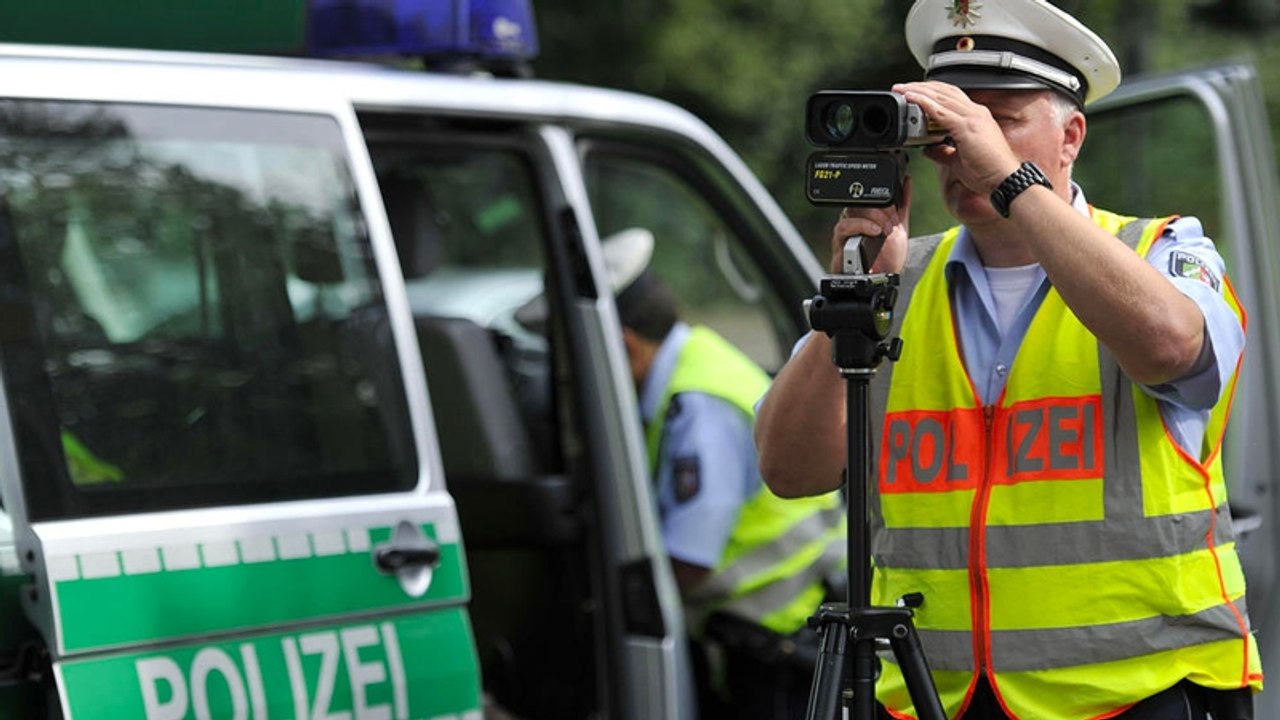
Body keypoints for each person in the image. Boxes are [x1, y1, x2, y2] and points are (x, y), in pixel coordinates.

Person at [754, 1, 1262, 718]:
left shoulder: (1162, 253)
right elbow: (789, 469)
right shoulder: (897, 283)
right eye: (951, 127)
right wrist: (854, 296)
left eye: (1001, 119)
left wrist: (1010, 182)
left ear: (1070, 135)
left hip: (1140, 693)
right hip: (942, 698)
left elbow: (1174, 349)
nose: (966, 147)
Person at [601, 227, 846, 720]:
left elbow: (691, 558)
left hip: (783, 642)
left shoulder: (698, 408)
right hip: (780, 630)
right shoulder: (694, 360)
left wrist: (604, 610)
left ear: (627, 347)